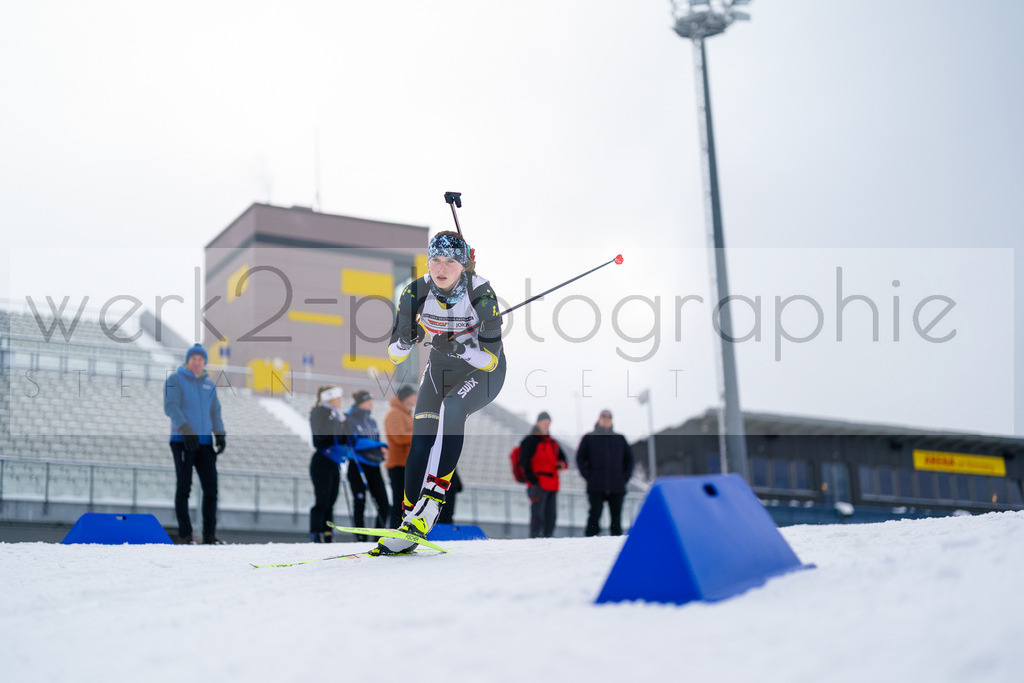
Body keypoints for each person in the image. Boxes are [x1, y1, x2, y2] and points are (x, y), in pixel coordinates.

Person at [375, 230, 506, 554]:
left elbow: (491, 360)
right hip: (440, 366)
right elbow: (394, 354)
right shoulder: (415, 292)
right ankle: (409, 520)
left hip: (481, 370)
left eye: (450, 260)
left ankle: (433, 499)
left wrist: (460, 348)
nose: (441, 267)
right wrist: (406, 339)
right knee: (420, 440)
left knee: (451, 408)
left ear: (463, 265)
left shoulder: (482, 294)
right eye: (435, 259)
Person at [163, 343, 226, 545]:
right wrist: (185, 429)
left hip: (205, 443)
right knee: (184, 487)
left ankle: (209, 535)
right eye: (194, 359)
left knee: (211, 489)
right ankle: (187, 534)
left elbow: (215, 411)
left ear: (204, 362)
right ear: (187, 361)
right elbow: (170, 406)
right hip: (183, 441)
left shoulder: (209, 384)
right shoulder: (175, 379)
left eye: (201, 359)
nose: (197, 362)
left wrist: (220, 434)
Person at [576, 409, 634, 537]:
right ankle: (589, 543)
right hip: (596, 485)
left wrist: (624, 477)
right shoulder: (589, 438)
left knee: (616, 520)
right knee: (594, 516)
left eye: (609, 417)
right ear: (599, 419)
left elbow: (629, 460)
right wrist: (589, 476)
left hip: (617, 486)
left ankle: (616, 547)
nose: (606, 419)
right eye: (604, 416)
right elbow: (580, 458)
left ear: (612, 420)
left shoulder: (620, 439)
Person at [308, 385, 352, 543]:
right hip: (322, 459)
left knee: (332, 498)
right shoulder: (319, 413)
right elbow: (320, 437)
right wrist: (333, 422)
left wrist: (343, 424)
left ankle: (327, 533)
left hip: (333, 460)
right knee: (322, 498)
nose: (340, 401)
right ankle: (316, 532)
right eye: (337, 398)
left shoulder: (338, 415)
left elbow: (344, 438)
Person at [345, 389, 391, 537]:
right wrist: (377, 445)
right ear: (361, 403)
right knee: (360, 503)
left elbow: (375, 441)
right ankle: (360, 537)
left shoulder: (371, 421)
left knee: (384, 504)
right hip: (358, 465)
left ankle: (379, 536)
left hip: (374, 466)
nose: (371, 404)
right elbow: (356, 443)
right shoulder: (350, 420)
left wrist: (380, 449)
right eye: (368, 401)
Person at [519, 411, 568, 538]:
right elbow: (524, 462)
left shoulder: (553, 442)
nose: (547, 425)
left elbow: (563, 459)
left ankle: (548, 540)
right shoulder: (530, 441)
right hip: (537, 485)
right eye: (544, 422)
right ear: (537, 423)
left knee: (551, 517)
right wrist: (534, 481)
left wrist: (561, 464)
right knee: (538, 516)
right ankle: (535, 541)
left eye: (548, 423)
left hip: (552, 485)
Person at [384, 385, 417, 528]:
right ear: (406, 397)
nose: (416, 398)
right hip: (398, 465)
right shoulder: (395, 413)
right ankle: (395, 529)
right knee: (399, 501)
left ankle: (403, 528)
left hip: (407, 464)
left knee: (406, 502)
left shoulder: (407, 413)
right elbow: (399, 437)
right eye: (413, 395)